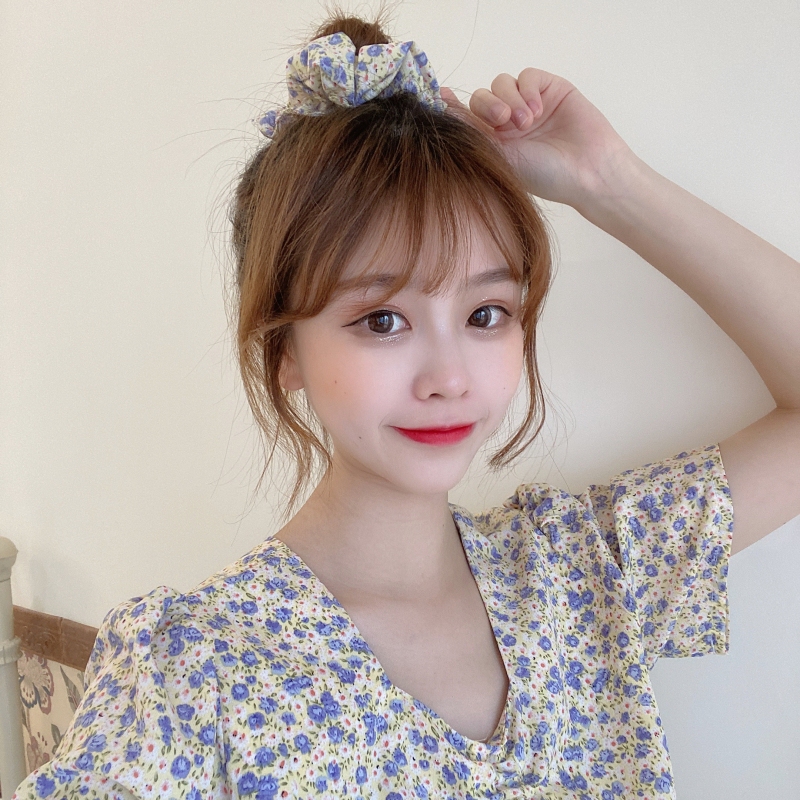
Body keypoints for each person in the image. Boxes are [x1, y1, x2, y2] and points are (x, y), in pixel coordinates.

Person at [14, 13, 800, 800]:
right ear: (285, 351)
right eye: (382, 321)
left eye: (486, 313)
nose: (449, 377)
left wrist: (608, 180)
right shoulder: (193, 675)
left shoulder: (580, 576)